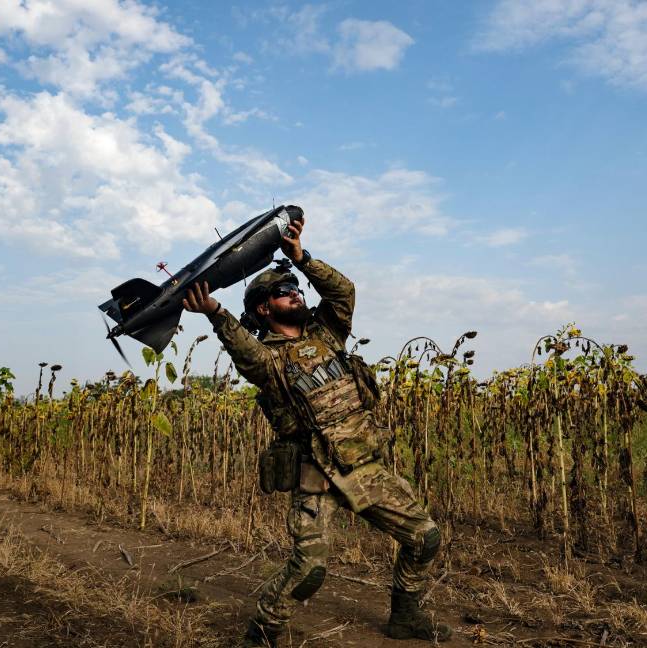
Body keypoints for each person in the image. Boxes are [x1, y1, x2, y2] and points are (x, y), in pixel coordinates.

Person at [182, 214, 451, 646]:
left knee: (424, 538)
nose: (295, 294)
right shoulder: (268, 357)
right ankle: (263, 633)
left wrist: (303, 259)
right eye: (283, 293)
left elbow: (344, 292)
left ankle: (404, 616)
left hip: (363, 466)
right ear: (263, 309)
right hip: (315, 474)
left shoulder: (328, 333)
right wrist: (214, 311)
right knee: (309, 568)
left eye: (295, 290)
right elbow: (245, 354)